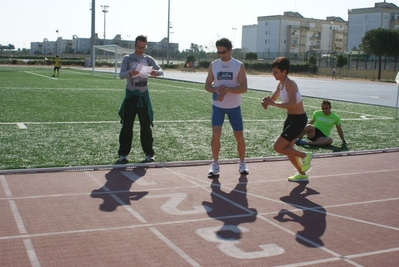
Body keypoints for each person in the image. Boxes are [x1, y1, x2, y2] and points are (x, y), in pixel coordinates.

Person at [261, 57, 312, 182]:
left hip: (299, 120)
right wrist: (266, 101)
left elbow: (293, 103)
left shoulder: (290, 83)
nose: (273, 74)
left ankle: (306, 155)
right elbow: (273, 97)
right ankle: (302, 174)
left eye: (276, 72)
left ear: (284, 72)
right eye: (273, 71)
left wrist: (273, 104)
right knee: (289, 150)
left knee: (278, 147)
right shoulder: (281, 84)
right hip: (290, 118)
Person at [205, 37, 249, 176]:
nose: (221, 55)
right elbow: (207, 85)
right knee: (216, 133)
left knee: (239, 135)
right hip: (218, 105)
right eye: (219, 52)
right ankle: (215, 164)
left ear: (230, 50)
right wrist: (216, 90)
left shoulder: (238, 65)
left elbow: (244, 88)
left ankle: (242, 163)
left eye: (224, 52)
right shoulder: (214, 65)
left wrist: (228, 90)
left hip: (234, 106)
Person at [117, 35, 163, 163]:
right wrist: (130, 73)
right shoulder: (128, 58)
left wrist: (155, 72)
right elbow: (120, 75)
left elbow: (161, 71)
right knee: (127, 126)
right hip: (131, 96)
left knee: (146, 126)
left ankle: (149, 153)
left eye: (143, 47)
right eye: (138, 47)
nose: (141, 50)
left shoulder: (148, 59)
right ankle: (123, 154)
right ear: (134, 45)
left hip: (144, 97)